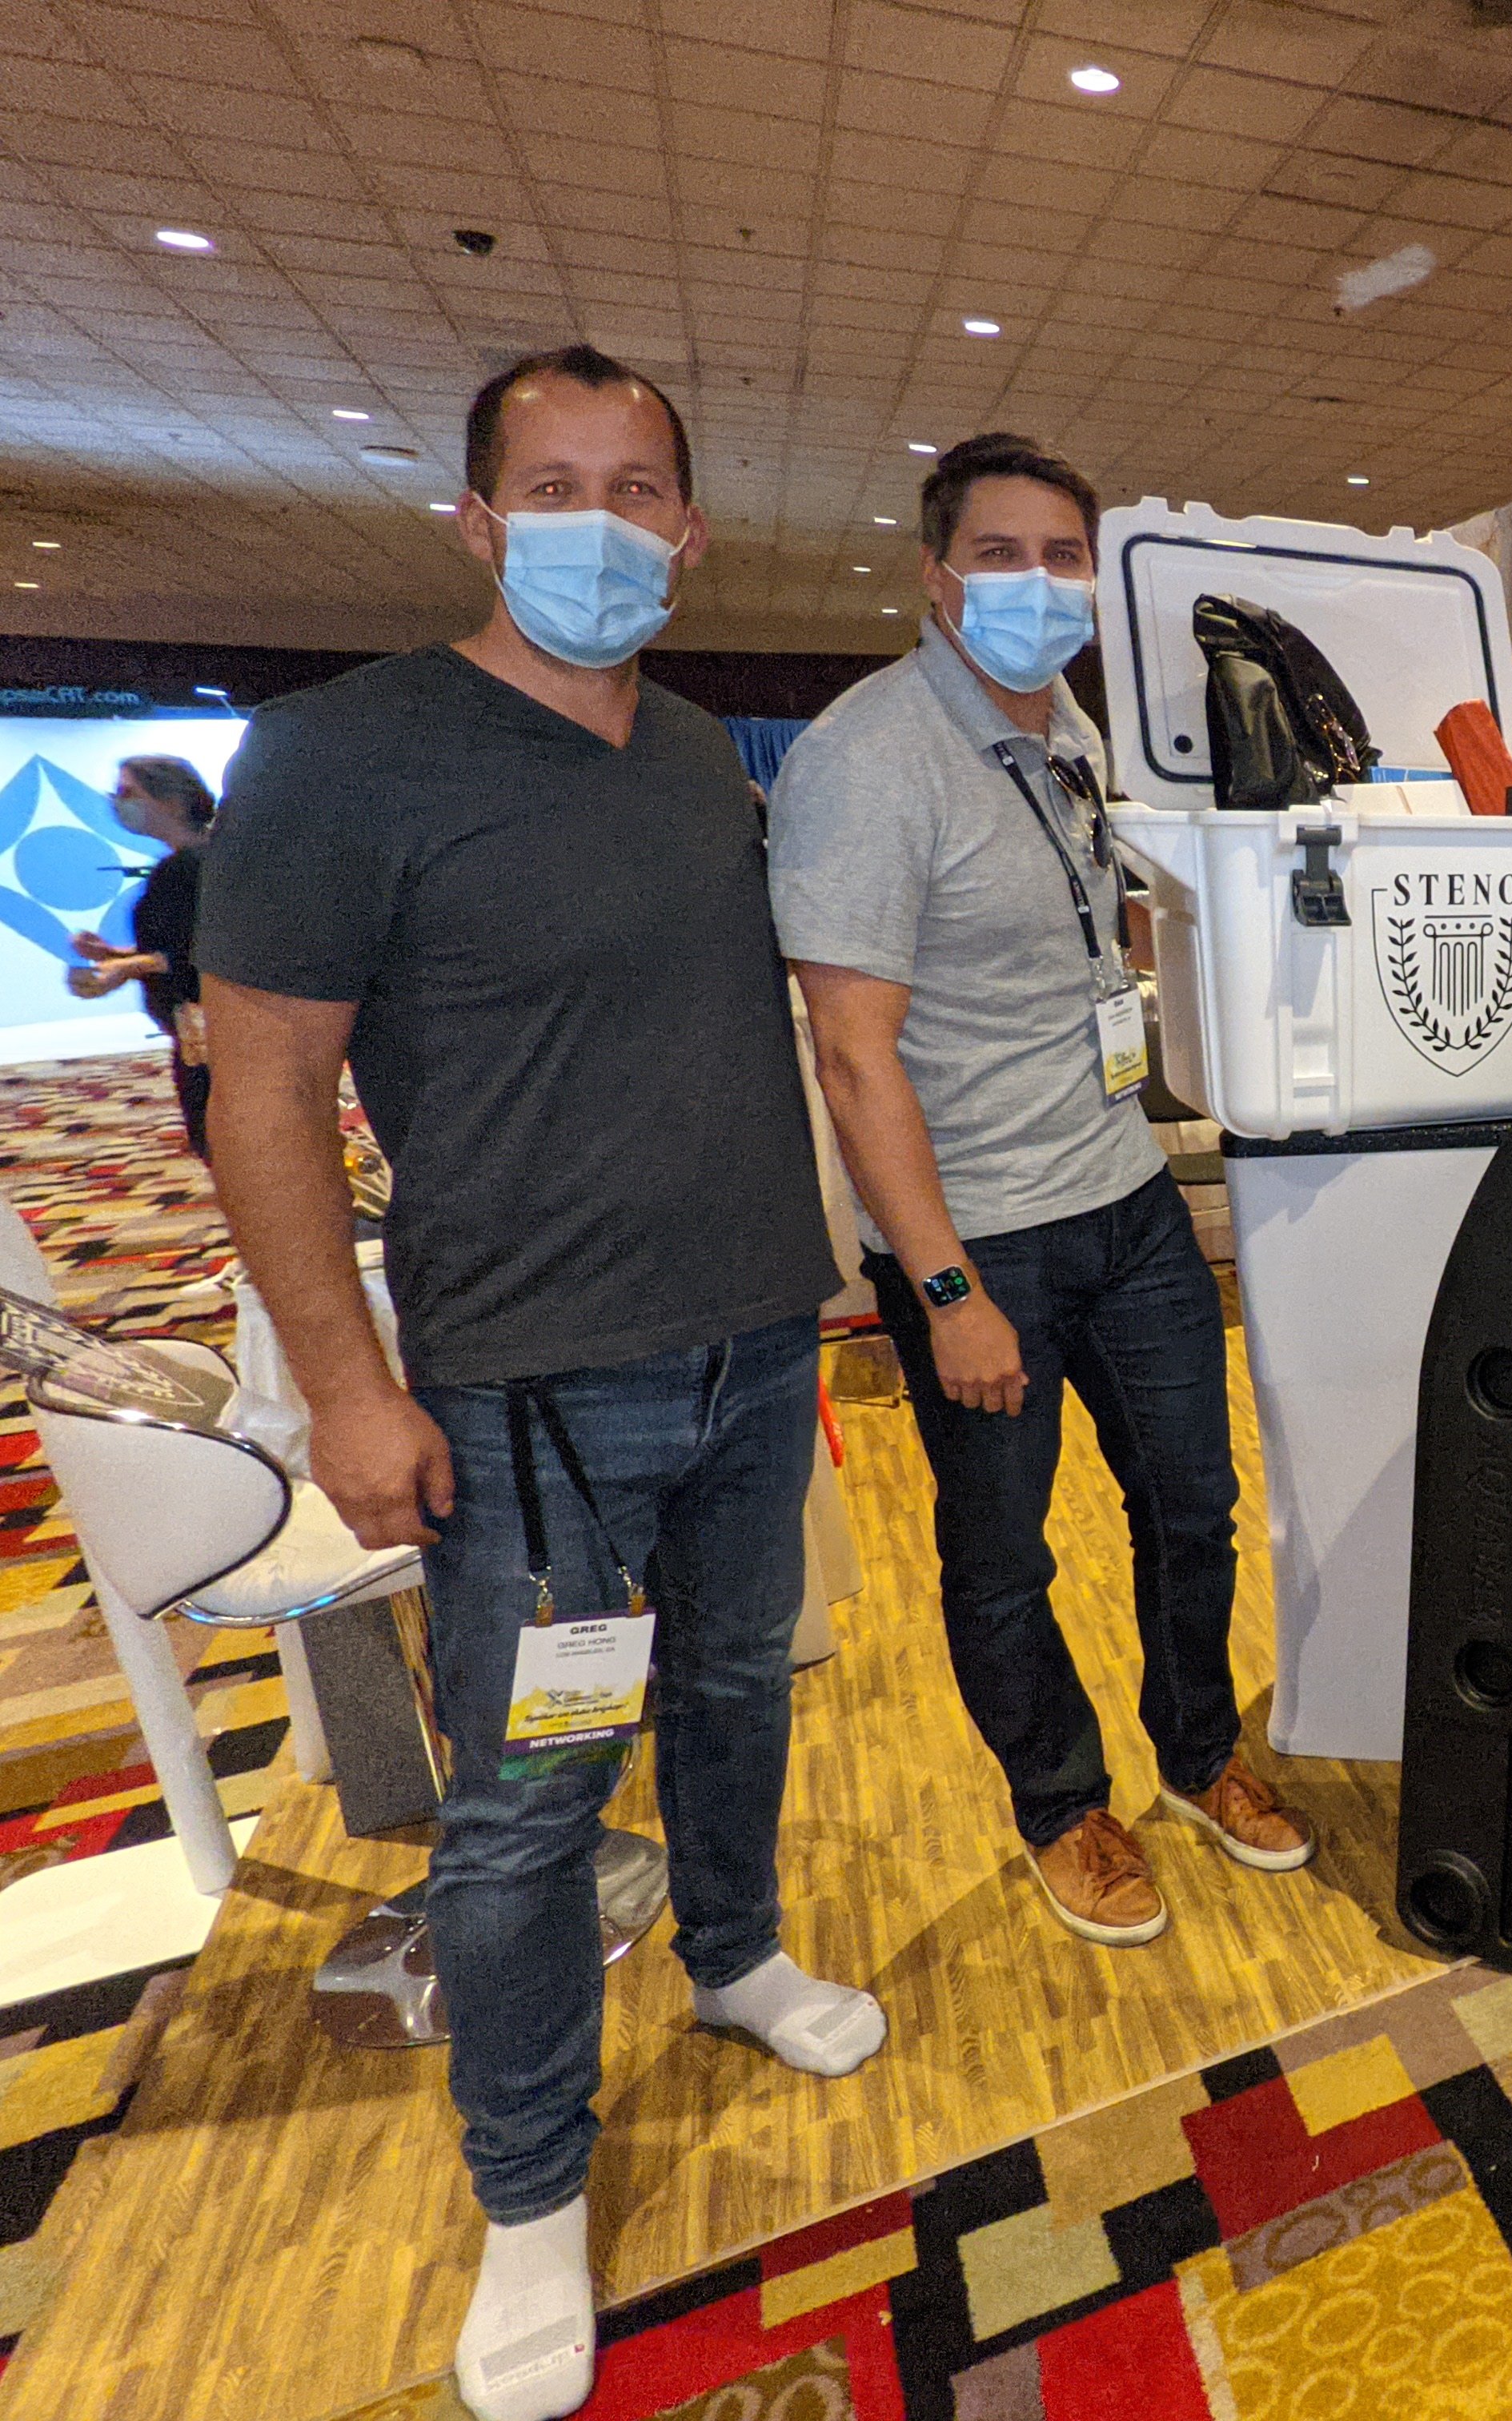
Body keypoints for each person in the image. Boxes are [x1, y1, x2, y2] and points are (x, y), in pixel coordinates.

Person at [198, 345, 877, 2421]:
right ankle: (529, 2188)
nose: (606, 522)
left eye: (641, 486)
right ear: (480, 523)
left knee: (742, 1692)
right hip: (530, 1412)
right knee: (526, 1815)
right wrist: (344, 1387)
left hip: (755, 1353)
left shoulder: (692, 756)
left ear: (688, 526)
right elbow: (268, 1096)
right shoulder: (345, 757)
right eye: (555, 485)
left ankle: (740, 1952)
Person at [772, 432, 1308, 1955]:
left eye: (1065, 555)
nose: (1039, 583)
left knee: (1191, 1505)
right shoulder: (867, 759)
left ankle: (1199, 1755)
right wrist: (943, 1287)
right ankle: (1060, 1797)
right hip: (978, 1233)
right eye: (1002, 555)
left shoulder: (1069, 726)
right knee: (1006, 1552)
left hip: (1126, 1197)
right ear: (936, 577)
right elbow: (854, 1056)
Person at [67, 755, 219, 1155]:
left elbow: (192, 956)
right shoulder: (200, 859)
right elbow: (175, 946)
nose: (119, 803)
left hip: (210, 1029)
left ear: (168, 799)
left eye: (128, 792)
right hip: (201, 1028)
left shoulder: (188, 867)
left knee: (219, 1140)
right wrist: (114, 954)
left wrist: (124, 967)